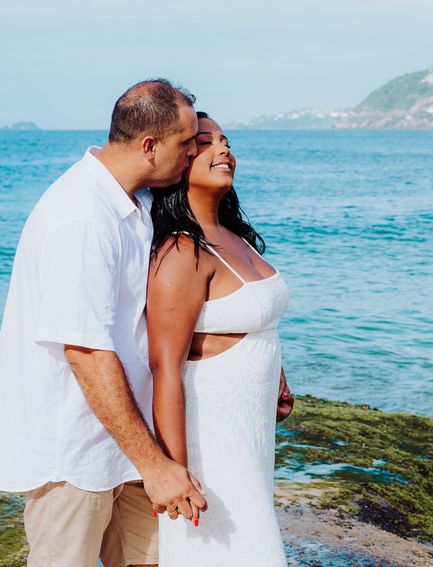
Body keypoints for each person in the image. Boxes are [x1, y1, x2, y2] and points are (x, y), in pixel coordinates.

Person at [0, 79, 208, 567]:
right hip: (73, 455)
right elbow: (84, 352)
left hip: (125, 444)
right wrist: (155, 466)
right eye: (186, 142)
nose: (194, 151)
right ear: (150, 146)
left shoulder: (132, 202)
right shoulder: (81, 216)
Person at [147, 113, 294, 566]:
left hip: (248, 434)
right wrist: (176, 470)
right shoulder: (181, 252)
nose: (224, 150)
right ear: (182, 159)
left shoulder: (233, 237)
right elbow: (165, 367)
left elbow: (255, 321)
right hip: (210, 441)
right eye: (207, 143)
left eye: (227, 141)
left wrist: (279, 380)